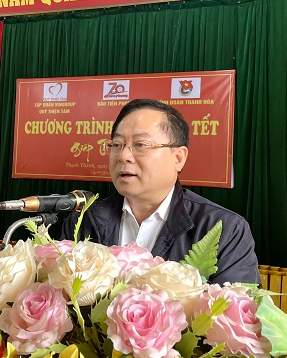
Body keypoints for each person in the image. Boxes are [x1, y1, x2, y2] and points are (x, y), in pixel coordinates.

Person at [60, 98, 260, 285]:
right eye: (117, 145)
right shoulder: (83, 222)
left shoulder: (226, 229)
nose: (123, 156)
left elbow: (236, 308)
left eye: (141, 145)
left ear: (178, 158)